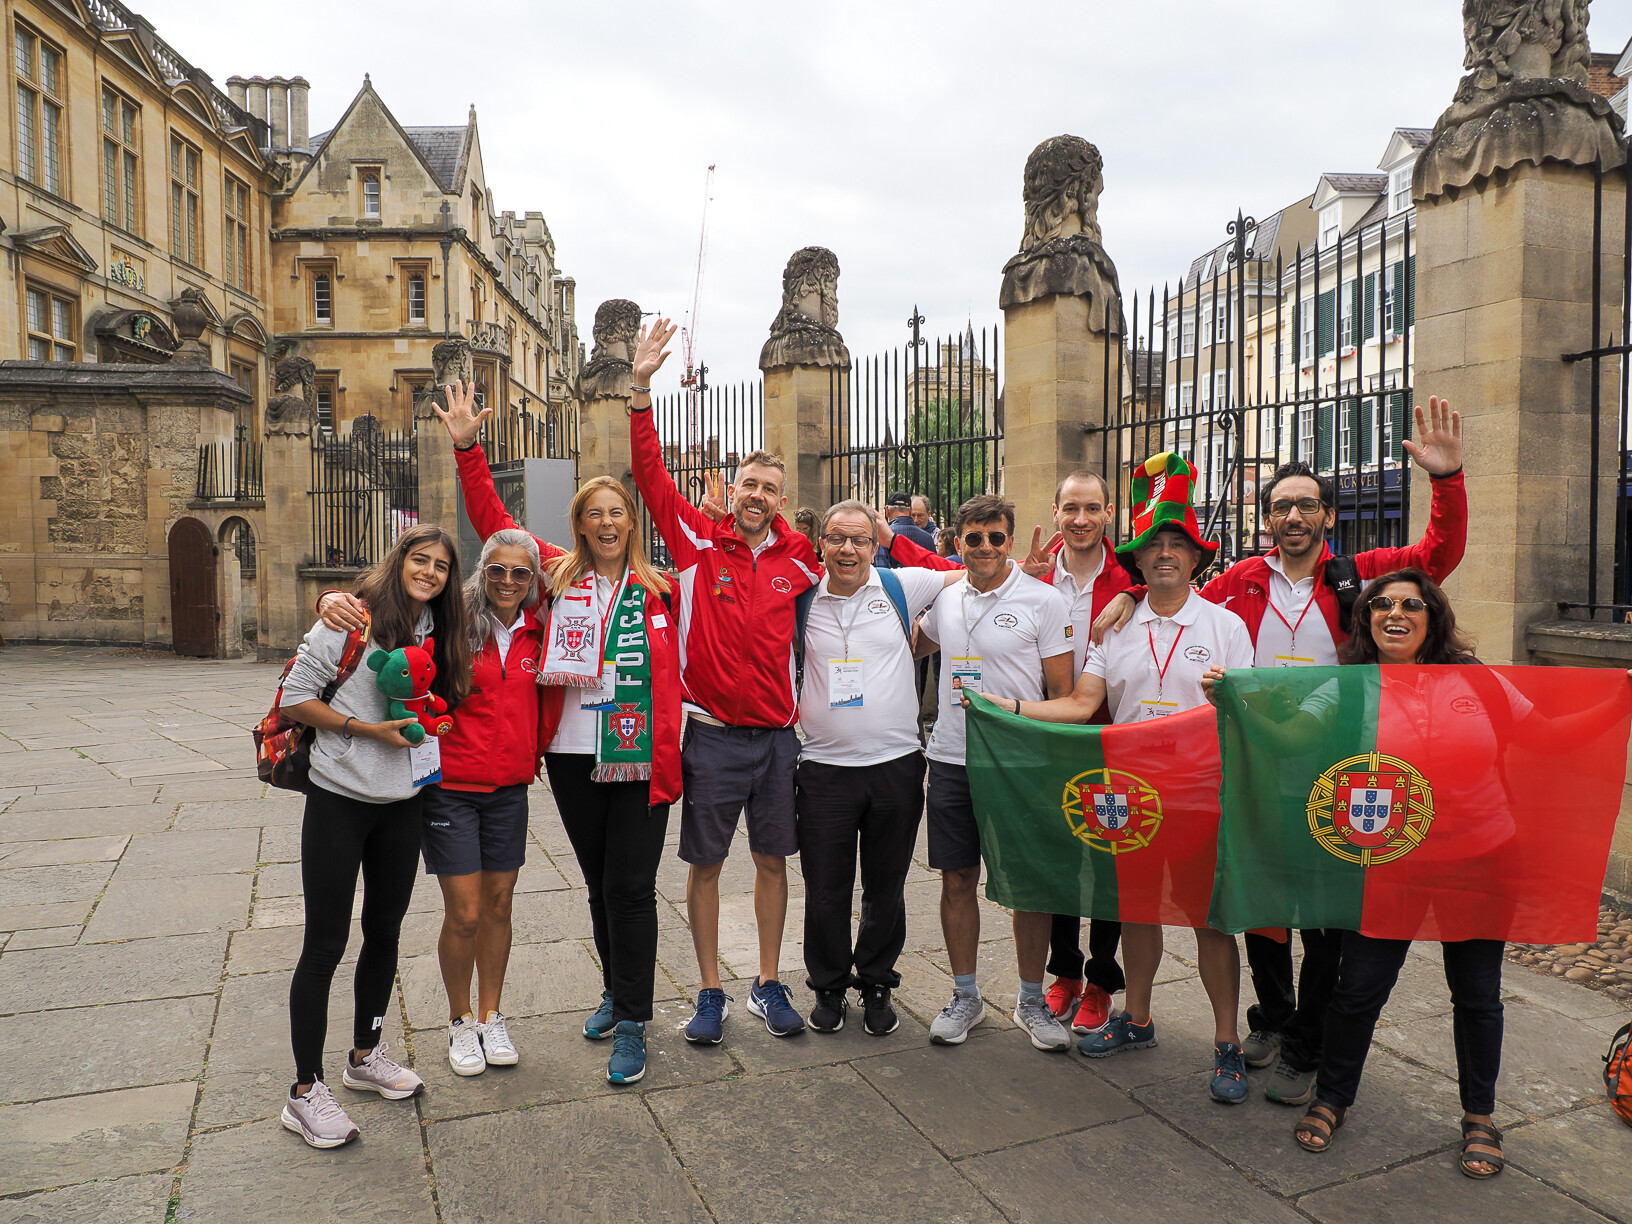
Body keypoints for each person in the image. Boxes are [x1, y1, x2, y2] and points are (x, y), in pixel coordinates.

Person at [1091, 396, 1467, 1105]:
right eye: (1281, 506)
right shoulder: (1241, 581)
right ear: (1268, 519)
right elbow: (1178, 584)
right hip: (1258, 763)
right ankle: (1271, 1018)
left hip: (1338, 765)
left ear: (1327, 515)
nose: (1293, 516)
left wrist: (1447, 482)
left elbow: (1435, 559)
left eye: (1306, 504)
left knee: (1325, 915)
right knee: (1260, 903)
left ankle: (1308, 1044)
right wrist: (1131, 589)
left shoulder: (1358, 576)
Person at [983, 453, 1254, 1103]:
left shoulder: (1225, 626)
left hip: (1198, 793)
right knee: (1137, 911)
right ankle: (1138, 1019)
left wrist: (1237, 697)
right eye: (1154, 545)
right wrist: (1008, 707)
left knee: (1212, 922)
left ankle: (1227, 1043)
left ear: (1196, 558)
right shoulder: (1118, 627)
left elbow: (1251, 714)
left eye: (1177, 546)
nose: (1165, 555)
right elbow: (1080, 702)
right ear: (1138, 557)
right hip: (1132, 792)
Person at [443, 379, 681, 1086]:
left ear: (631, 522)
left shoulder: (664, 588)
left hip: (639, 760)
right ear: (579, 526)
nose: (607, 523)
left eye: (617, 512)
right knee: (600, 886)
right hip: (577, 758)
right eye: (594, 514)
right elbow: (494, 524)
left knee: (634, 888)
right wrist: (467, 448)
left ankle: (634, 1021)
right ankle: (615, 990)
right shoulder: (557, 574)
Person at [629, 318, 820, 1042]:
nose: (758, 495)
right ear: (730, 488)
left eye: (771, 488)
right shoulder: (694, 542)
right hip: (708, 737)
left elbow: (866, 553)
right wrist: (642, 389)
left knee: (773, 862)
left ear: (779, 497)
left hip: (775, 741)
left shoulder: (799, 556)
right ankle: (710, 989)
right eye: (749, 484)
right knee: (705, 866)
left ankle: (768, 983)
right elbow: (649, 477)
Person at [320, 524, 545, 1078]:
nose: (509, 580)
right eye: (497, 569)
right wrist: (331, 598)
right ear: (480, 573)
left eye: (521, 572)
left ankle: (492, 1015)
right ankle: (460, 1019)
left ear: (534, 578)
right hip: (453, 785)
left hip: (510, 787)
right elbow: (388, 613)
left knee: (499, 905)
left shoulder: (544, 626)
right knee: (465, 910)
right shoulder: (453, 623)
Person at [278, 524, 470, 1148]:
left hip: (403, 803)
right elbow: (294, 700)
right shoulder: (349, 617)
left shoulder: (440, 629)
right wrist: (367, 731)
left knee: (384, 933)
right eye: (421, 559)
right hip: (339, 799)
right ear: (400, 561)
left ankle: (365, 1054)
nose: (431, 572)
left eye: (442, 565)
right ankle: (304, 1091)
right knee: (326, 942)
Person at [913, 493, 1075, 1050]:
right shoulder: (945, 597)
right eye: (973, 538)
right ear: (957, 542)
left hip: (1020, 760)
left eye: (996, 537)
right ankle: (965, 996)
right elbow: (912, 646)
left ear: (1009, 540)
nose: (985, 547)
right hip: (952, 758)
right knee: (956, 878)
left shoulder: (1043, 601)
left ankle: (1032, 999)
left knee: (1028, 885)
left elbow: (1062, 693)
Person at [796, 500, 961, 1035]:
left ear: (874, 545)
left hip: (895, 766)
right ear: (821, 543)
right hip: (823, 768)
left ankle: (874, 980)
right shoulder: (801, 596)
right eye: (837, 539)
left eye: (860, 540)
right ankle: (827, 984)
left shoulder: (899, 586)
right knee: (825, 888)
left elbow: (964, 572)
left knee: (886, 884)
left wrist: (896, 537)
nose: (848, 549)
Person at [875, 490, 936, 567]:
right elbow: (934, 570)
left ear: (887, 510)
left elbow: (882, 570)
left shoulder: (882, 537)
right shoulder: (927, 538)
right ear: (910, 510)